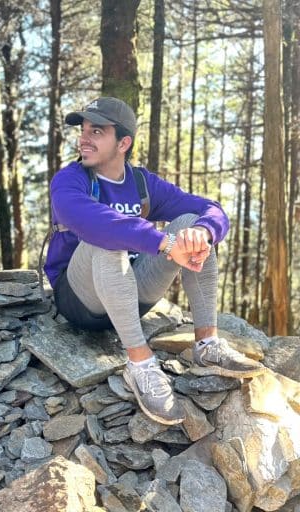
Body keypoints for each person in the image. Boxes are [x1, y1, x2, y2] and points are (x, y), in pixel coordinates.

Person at [44, 97, 265, 426]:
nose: (84, 138)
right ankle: (141, 365)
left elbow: (212, 209)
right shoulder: (70, 180)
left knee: (190, 223)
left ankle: (206, 344)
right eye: (83, 130)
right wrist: (164, 242)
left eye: (97, 131)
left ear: (123, 142)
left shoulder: (142, 183)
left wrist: (202, 233)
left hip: (131, 296)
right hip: (80, 301)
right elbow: (93, 222)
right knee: (106, 236)